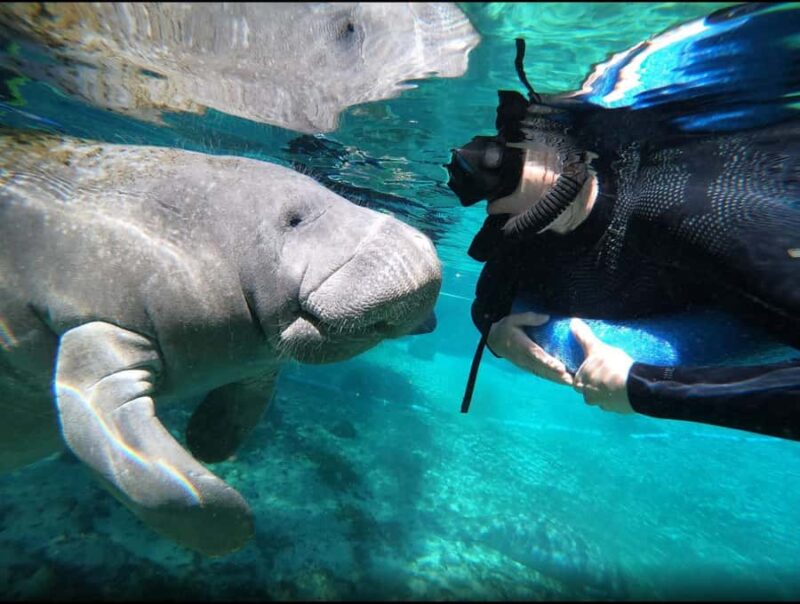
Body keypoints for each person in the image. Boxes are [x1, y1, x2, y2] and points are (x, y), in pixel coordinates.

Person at [445, 4, 800, 441]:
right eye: (492, 175)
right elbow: (490, 297)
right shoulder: (522, 239)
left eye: (512, 145)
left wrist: (642, 389)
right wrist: (495, 332)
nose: (505, 155)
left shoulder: (684, 208)